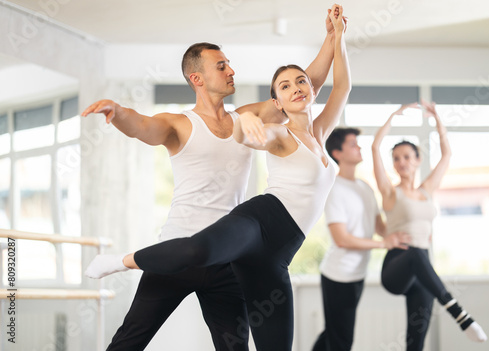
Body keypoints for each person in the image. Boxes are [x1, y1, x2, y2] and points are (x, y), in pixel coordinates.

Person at [85, 5, 350, 350]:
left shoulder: (246, 115)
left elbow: (305, 87)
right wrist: (118, 113)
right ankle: (123, 263)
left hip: (229, 256)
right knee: (131, 339)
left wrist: (332, 37)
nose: (231, 70)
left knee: (234, 345)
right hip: (179, 249)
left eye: (229, 64)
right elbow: (143, 127)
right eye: (221, 66)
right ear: (197, 78)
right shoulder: (181, 124)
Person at [371, 101, 487, 351]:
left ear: (417, 159)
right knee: (414, 252)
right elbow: (374, 146)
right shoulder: (390, 192)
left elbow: (447, 155)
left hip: (422, 268)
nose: (401, 162)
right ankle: (460, 315)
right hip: (397, 266)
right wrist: (393, 115)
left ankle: (453, 315)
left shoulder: (426, 191)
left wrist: (437, 118)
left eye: (406, 157)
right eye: (396, 159)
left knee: (417, 339)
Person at [312, 127, 410, 351]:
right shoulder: (334, 189)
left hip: (358, 273)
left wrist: (400, 236)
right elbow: (342, 239)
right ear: (337, 153)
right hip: (338, 275)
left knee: (334, 332)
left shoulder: (364, 187)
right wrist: (384, 244)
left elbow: (380, 227)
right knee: (342, 339)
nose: (360, 147)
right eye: (353, 144)